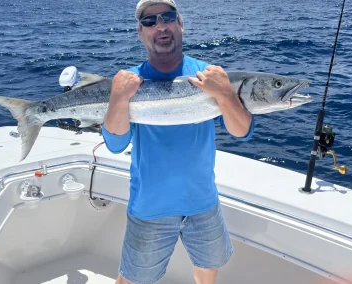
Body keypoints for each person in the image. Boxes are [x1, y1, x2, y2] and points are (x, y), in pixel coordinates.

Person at [102, 0, 254, 283]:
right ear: (140, 32)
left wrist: (225, 95)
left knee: (209, 268)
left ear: (180, 24)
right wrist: (118, 98)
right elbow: (115, 143)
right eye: (150, 21)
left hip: (203, 201)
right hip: (150, 206)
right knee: (132, 278)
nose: (160, 26)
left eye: (167, 17)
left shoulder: (209, 75)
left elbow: (241, 131)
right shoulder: (128, 82)